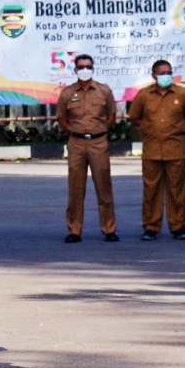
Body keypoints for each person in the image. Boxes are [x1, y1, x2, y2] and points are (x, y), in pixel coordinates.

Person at [127, 60, 185, 241]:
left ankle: (178, 227)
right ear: (153, 75)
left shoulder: (181, 94)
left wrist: (179, 129)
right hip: (151, 150)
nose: (165, 76)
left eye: (169, 72)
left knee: (177, 191)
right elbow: (134, 117)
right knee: (151, 190)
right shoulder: (144, 95)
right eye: (161, 73)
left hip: (175, 149)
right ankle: (151, 227)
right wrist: (148, 129)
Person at [56, 54, 119, 243]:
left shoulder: (103, 91)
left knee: (104, 186)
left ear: (93, 69)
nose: (85, 70)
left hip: (98, 142)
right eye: (81, 67)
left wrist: (100, 130)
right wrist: (74, 131)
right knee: (76, 188)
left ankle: (109, 229)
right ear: (75, 70)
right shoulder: (67, 93)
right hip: (76, 143)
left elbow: (111, 115)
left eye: (88, 67)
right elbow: (62, 118)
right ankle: (74, 230)